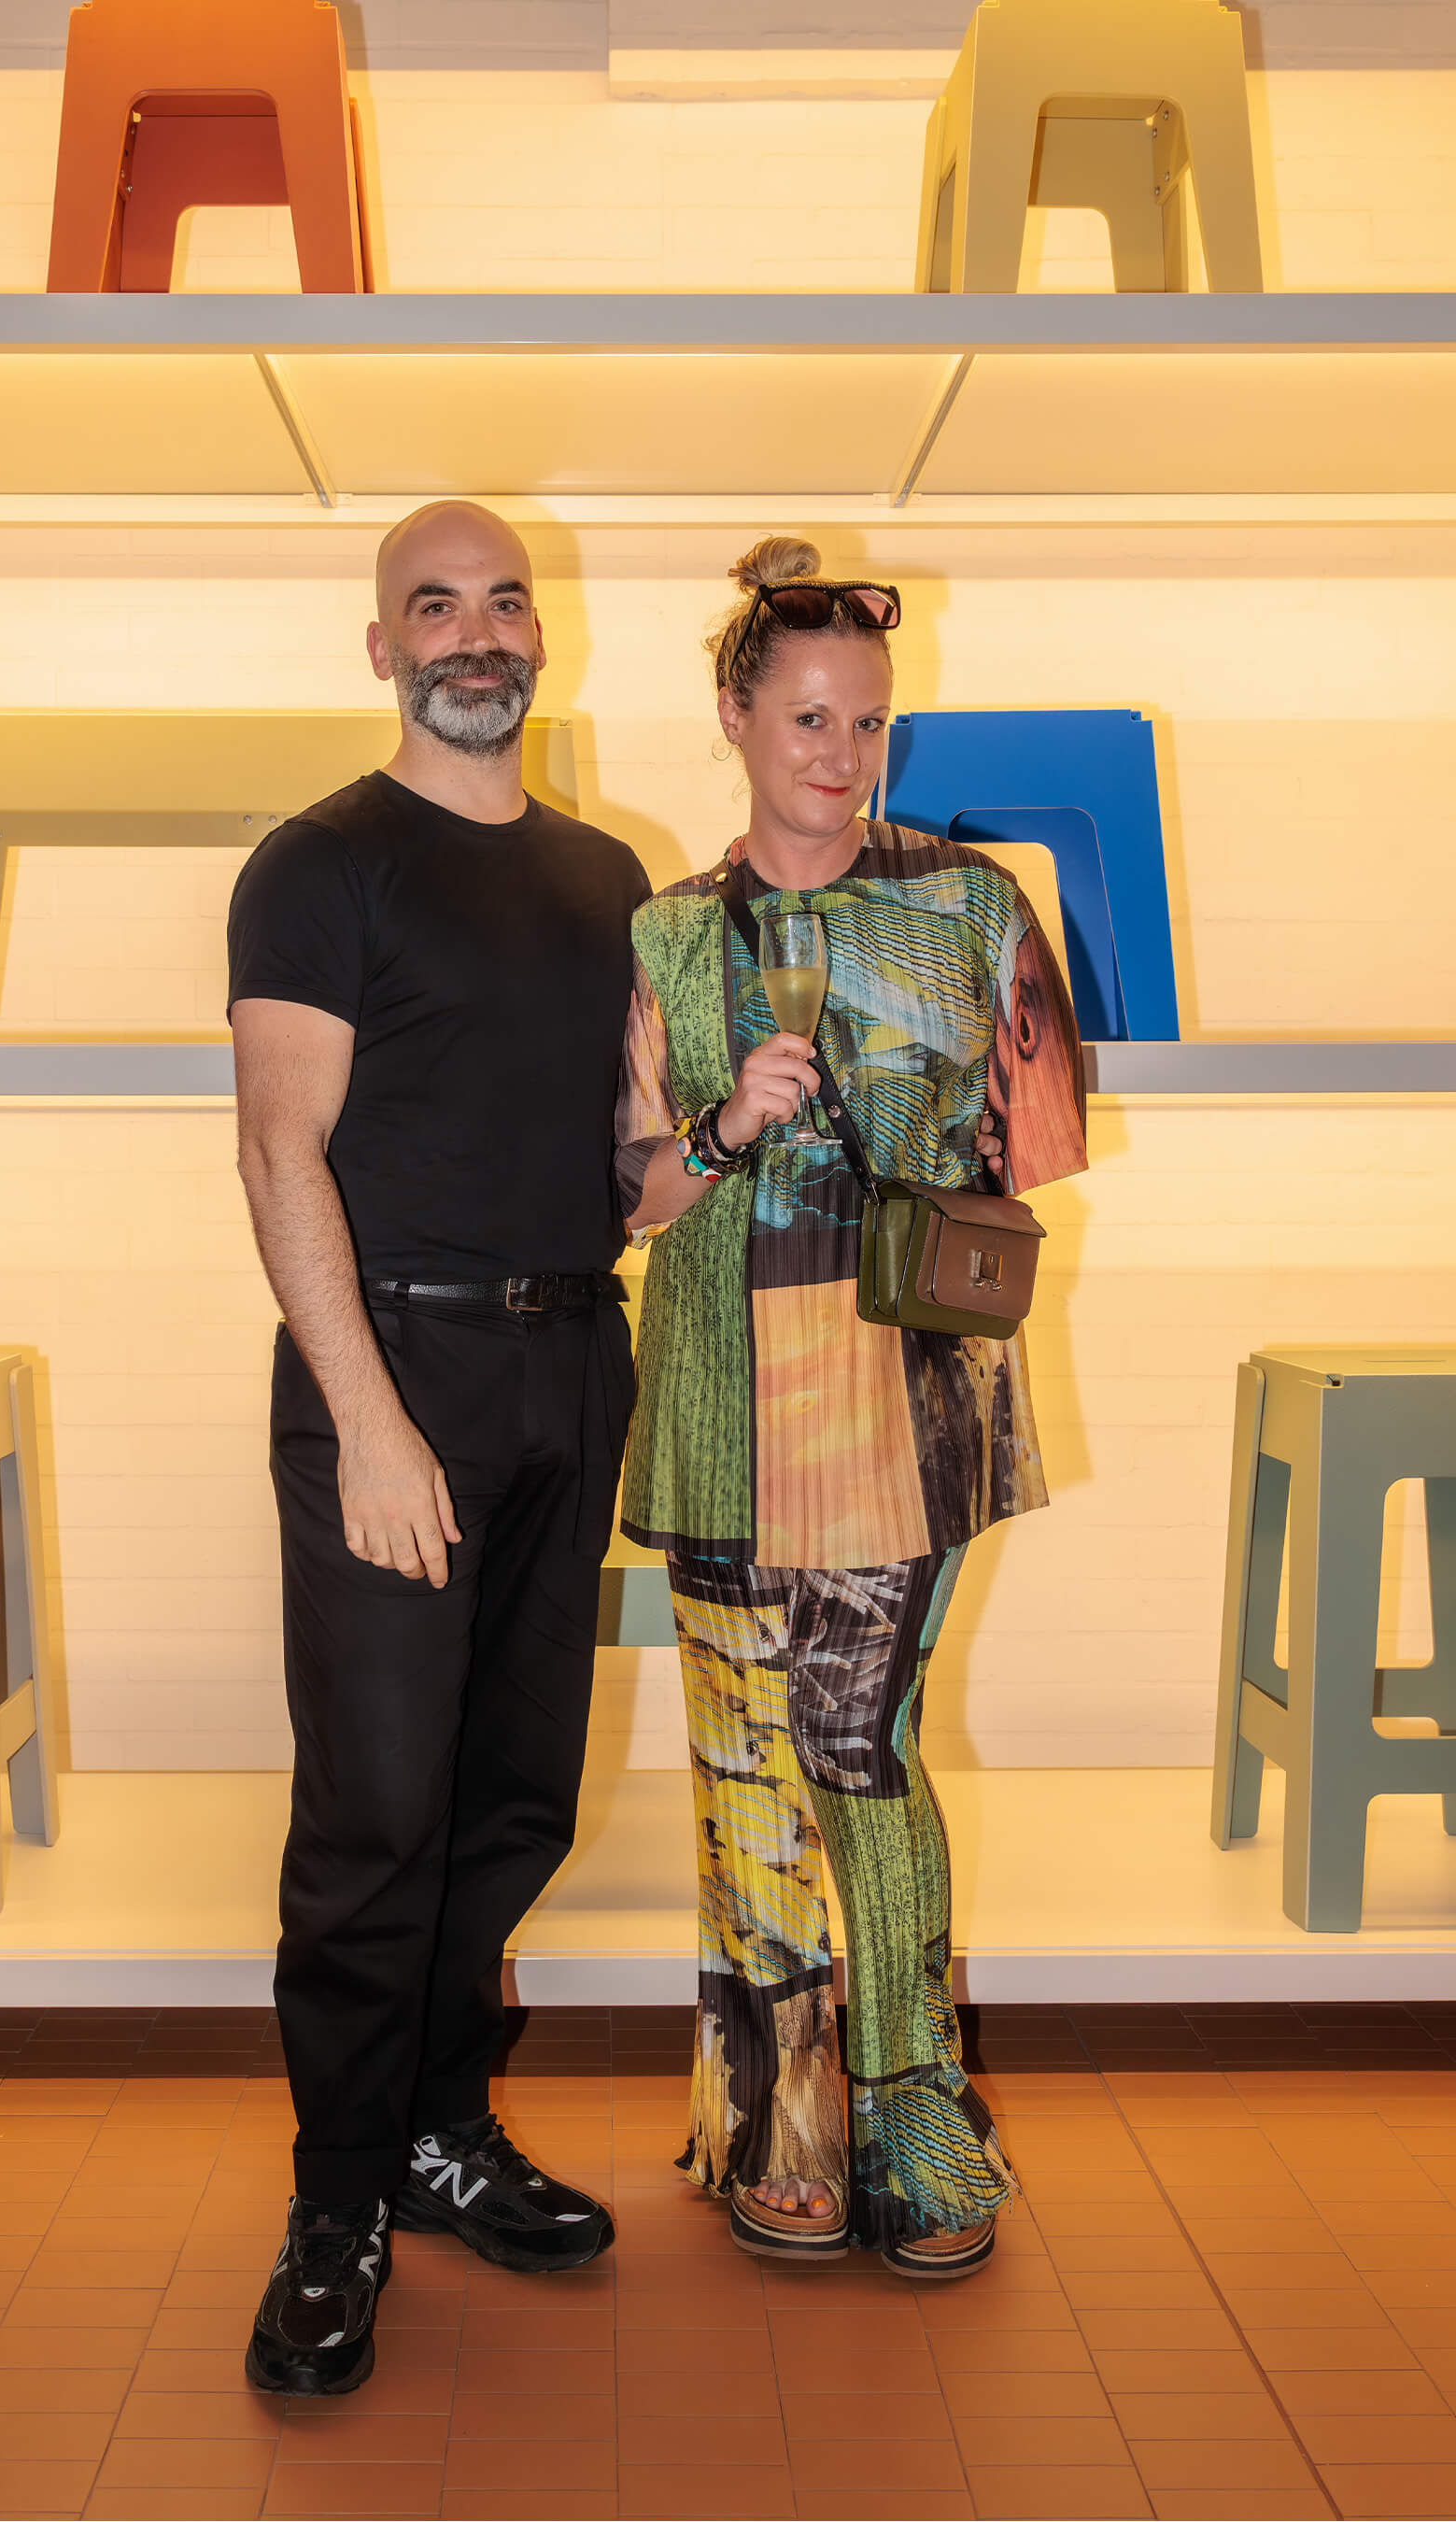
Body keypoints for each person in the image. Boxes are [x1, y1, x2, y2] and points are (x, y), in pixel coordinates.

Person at [615, 537, 1087, 2281]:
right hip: (727, 1394)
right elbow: (630, 1197)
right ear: (734, 713)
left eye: (868, 722)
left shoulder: (974, 908)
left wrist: (900, 1130)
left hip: (900, 1396)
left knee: (856, 1750)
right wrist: (731, 1126)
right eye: (807, 715)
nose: (840, 751)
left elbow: (1031, 1154)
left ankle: (905, 2097)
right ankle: (777, 2122)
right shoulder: (668, 933)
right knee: (747, 1768)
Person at [227, 500, 649, 2395]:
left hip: (574, 1364)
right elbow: (278, 1150)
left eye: (504, 601)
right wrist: (377, 1431)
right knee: (378, 1819)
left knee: (514, 1802)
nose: (477, 635)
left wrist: (700, 1146)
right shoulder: (322, 864)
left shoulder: (606, 876)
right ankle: (335, 2206)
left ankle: (438, 2129)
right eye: (435, 607)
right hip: (393, 1382)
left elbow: (612, 1178)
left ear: (539, 630)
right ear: (380, 645)